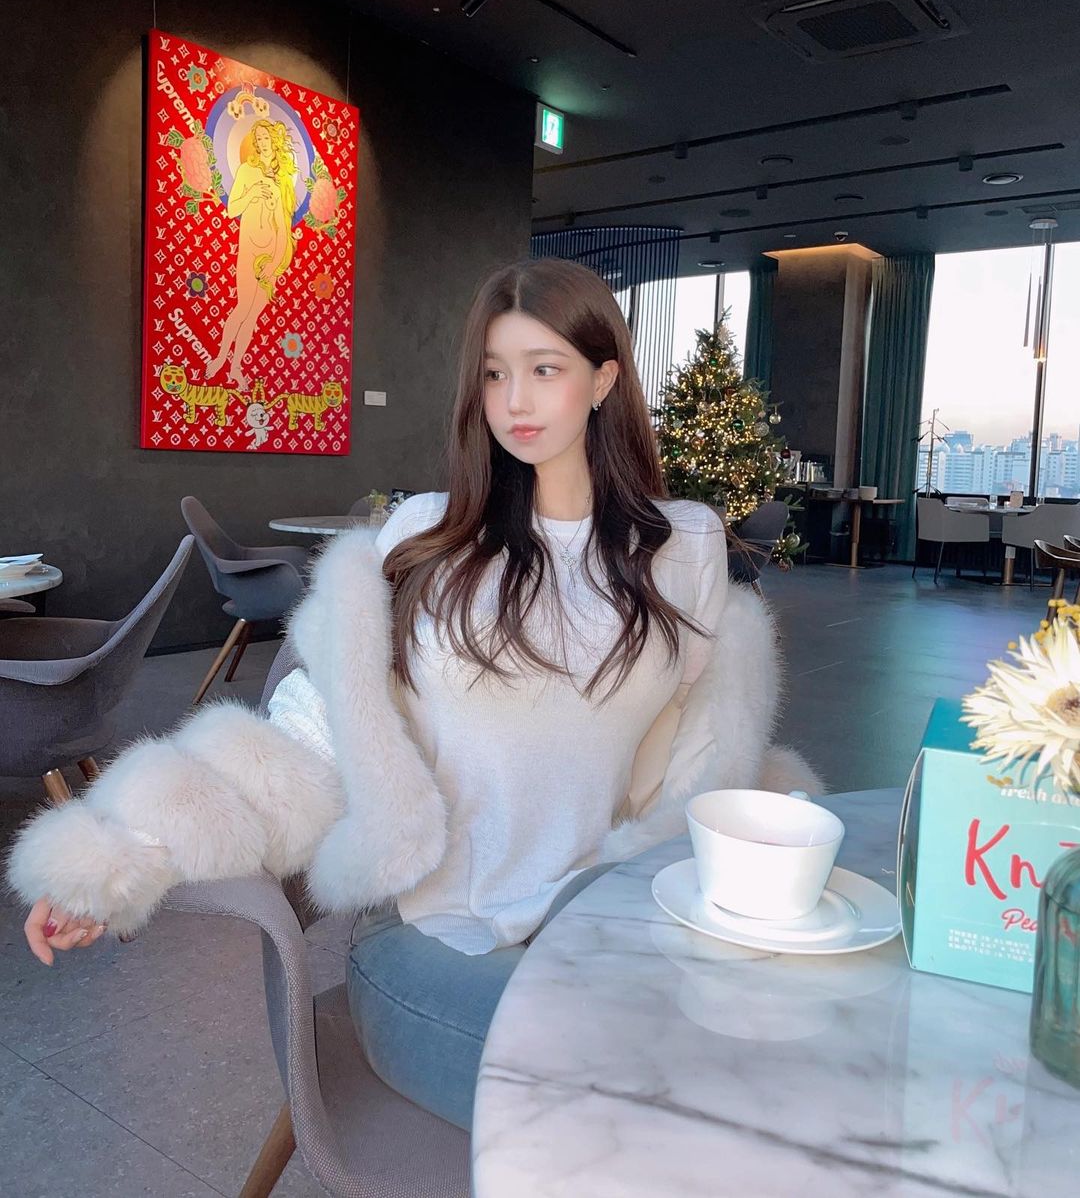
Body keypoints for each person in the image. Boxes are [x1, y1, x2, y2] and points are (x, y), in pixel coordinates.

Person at [10, 258, 820, 1133]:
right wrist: (119, 855)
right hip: (434, 938)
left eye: (544, 368)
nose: (515, 401)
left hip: (596, 926)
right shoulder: (429, 538)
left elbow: (699, 747)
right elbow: (316, 736)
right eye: (495, 374)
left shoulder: (682, 549)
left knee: (755, 1070)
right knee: (624, 1101)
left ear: (603, 380)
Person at [205, 118, 298, 392]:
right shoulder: (246, 171)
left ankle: (236, 367)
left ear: (274, 141)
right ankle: (221, 357)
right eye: (258, 140)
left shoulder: (282, 182)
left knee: (254, 314)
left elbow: (283, 227)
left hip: (270, 254)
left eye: (265, 138)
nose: (262, 143)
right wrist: (252, 193)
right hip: (249, 248)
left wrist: (275, 263)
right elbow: (232, 209)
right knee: (243, 307)